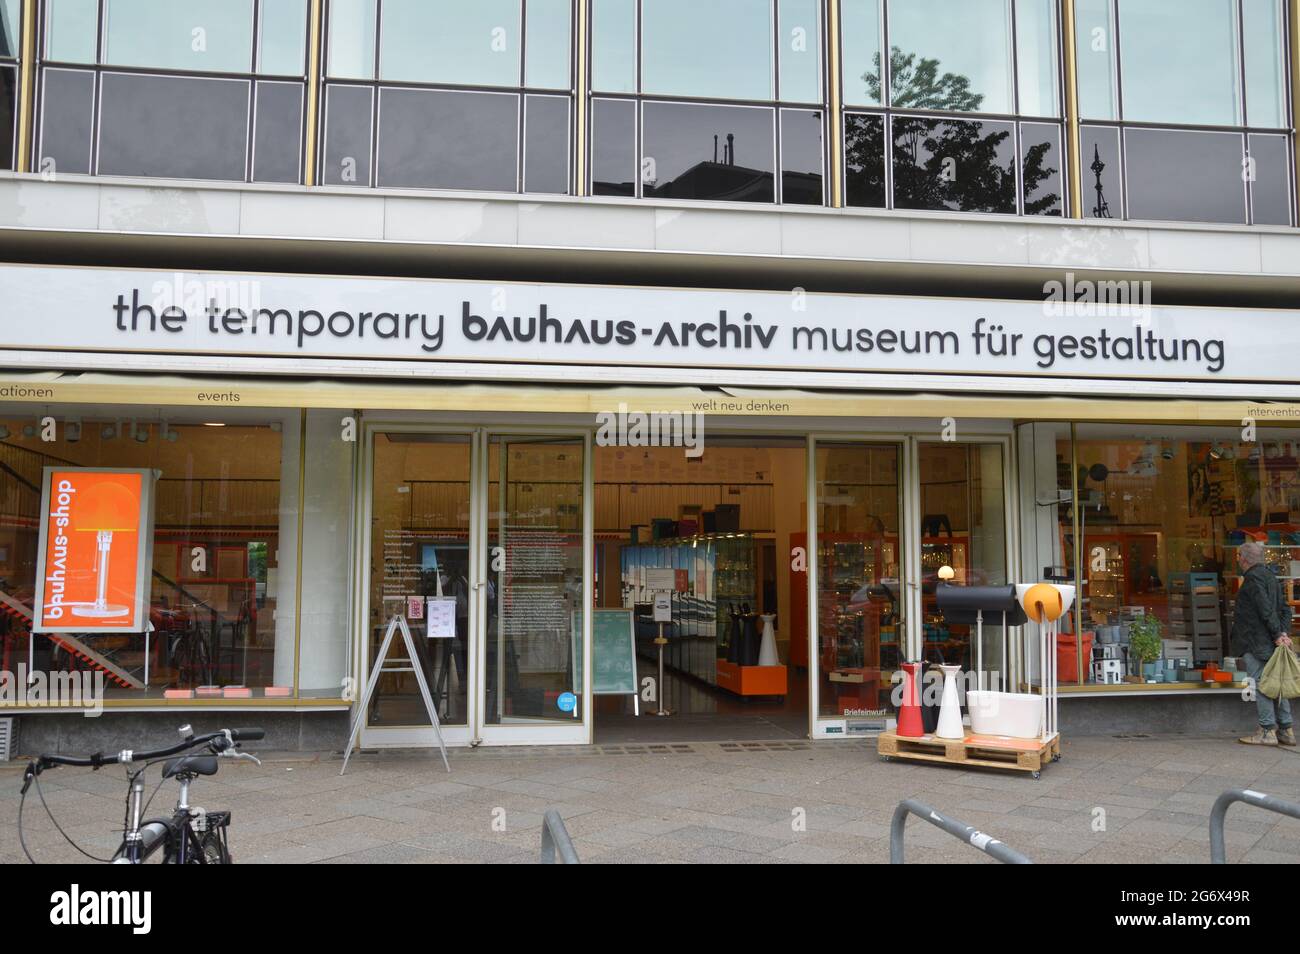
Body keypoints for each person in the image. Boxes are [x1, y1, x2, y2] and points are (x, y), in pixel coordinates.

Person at [1231, 541, 1295, 745]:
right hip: (1270, 640)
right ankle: (1286, 729)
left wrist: (1278, 634)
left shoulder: (1252, 580)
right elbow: (1285, 609)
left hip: (1255, 640)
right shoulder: (1271, 577)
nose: (1239, 559)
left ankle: (1267, 731)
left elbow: (1264, 609)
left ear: (1244, 559)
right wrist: (1282, 633)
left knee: (1261, 684)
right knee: (1277, 682)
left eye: (1239, 556)